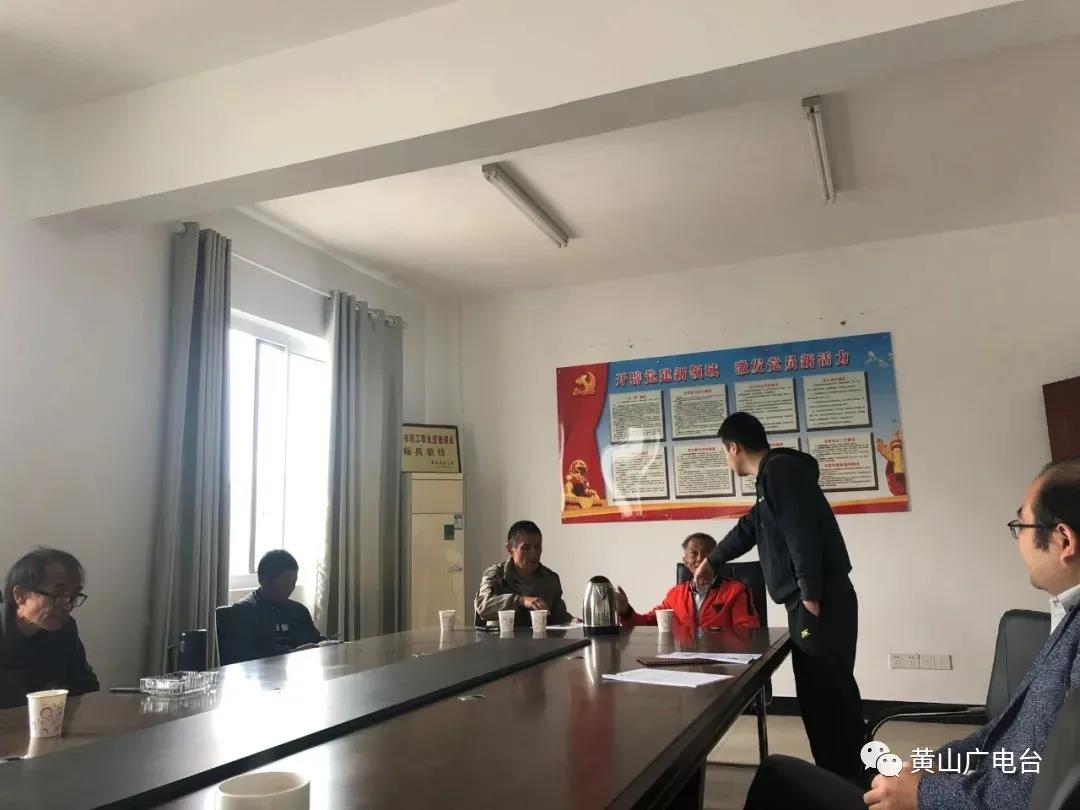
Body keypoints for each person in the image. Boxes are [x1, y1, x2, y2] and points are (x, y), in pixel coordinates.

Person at [742, 457, 1080, 810]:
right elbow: (1003, 735)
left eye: (1021, 525)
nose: (1018, 539)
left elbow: (1030, 792)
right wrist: (933, 763)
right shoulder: (1067, 616)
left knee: (778, 778)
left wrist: (921, 794)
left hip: (953, 800)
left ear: (1064, 540)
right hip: (962, 785)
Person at [693, 412, 865, 784]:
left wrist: (810, 591)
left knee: (829, 701)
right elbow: (748, 528)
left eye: (724, 452)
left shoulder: (779, 471)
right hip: (812, 601)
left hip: (817, 602)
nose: (726, 459)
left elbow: (800, 531)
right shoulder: (774, 477)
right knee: (822, 700)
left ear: (733, 447)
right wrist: (712, 560)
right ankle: (845, 782)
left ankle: (852, 785)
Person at [0, 547, 99, 708]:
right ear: (21, 596)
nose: (67, 606)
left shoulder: (65, 630)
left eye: (73, 596)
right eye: (58, 595)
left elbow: (85, 685)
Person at [614, 532, 760, 631]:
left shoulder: (736, 590)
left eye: (708, 553)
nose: (700, 558)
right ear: (685, 561)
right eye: (694, 554)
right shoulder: (675, 594)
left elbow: (748, 632)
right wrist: (626, 611)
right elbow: (647, 624)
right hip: (684, 662)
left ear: (717, 558)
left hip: (723, 661)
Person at [229, 550, 325, 662]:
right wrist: (293, 654)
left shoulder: (299, 611)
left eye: (293, 583)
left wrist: (327, 645)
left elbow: (316, 640)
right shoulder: (244, 612)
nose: (291, 588)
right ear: (264, 581)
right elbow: (246, 657)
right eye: (286, 583)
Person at [475, 521, 573, 626]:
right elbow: (483, 607)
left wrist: (570, 621)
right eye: (526, 548)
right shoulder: (496, 575)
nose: (533, 553)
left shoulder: (550, 579)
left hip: (539, 636)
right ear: (510, 549)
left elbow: (558, 616)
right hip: (501, 636)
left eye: (537, 547)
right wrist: (520, 600)